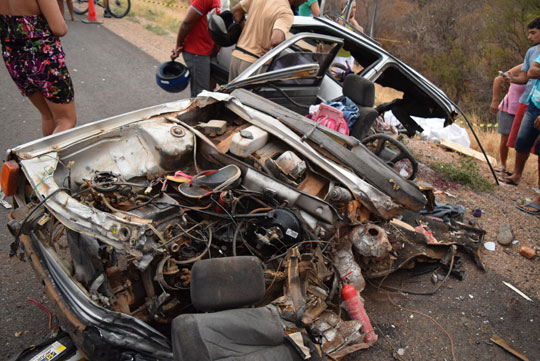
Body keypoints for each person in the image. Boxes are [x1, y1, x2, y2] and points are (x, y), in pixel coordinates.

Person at [1, 0, 77, 136]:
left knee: (47, 115)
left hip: (14, 59)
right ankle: (49, 157)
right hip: (43, 60)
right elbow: (59, 28)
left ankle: (49, 156)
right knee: (66, 120)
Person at [500, 17, 540, 185]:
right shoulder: (532, 52)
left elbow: (534, 72)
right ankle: (517, 175)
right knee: (522, 140)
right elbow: (528, 73)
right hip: (533, 101)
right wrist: (512, 78)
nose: (530, 37)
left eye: (533, 33)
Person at [228, 0, 308, 81]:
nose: (307, 1)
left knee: (229, 93)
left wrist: (245, 30)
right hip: (254, 64)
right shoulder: (285, 12)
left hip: (236, 57)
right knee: (246, 94)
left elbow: (236, 10)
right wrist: (272, 55)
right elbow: (276, 40)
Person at [171, 0, 221, 97]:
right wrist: (178, 45)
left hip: (206, 50)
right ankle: (196, 112)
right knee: (200, 96)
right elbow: (186, 23)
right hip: (197, 52)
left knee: (205, 92)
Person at [489, 65, 526, 175]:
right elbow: (499, 79)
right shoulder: (523, 66)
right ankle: (503, 164)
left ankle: (517, 171)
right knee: (505, 137)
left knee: (522, 141)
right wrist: (495, 100)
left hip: (525, 108)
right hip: (509, 106)